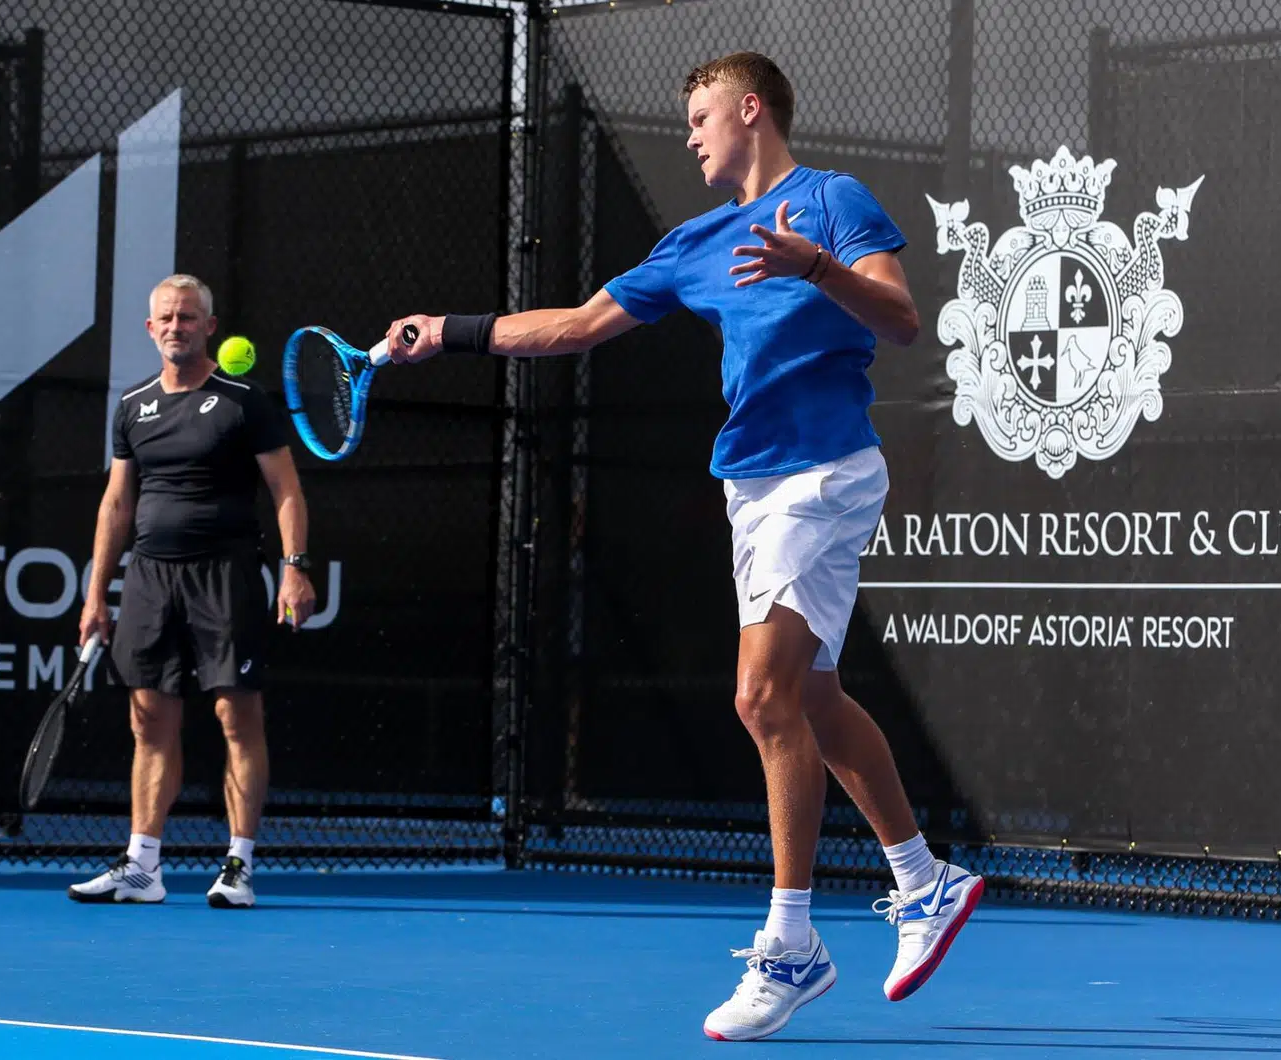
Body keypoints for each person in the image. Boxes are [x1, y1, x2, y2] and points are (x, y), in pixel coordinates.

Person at [386, 52, 983, 1041]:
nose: (693, 136)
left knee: (761, 695)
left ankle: (793, 945)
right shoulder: (696, 241)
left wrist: (817, 267)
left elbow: (906, 319)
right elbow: (576, 326)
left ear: (752, 110)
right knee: (816, 701)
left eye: (703, 116)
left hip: (824, 471)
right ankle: (924, 882)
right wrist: (450, 330)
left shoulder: (832, 199)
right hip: (754, 488)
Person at [67, 274, 316, 910]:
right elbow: (117, 503)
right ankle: (143, 866)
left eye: (187, 317)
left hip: (225, 574)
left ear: (209, 326)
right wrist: (98, 594)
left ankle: (239, 864)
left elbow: (285, 489)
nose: (176, 327)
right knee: (149, 721)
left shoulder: (243, 401)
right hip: (150, 578)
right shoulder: (133, 406)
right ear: (150, 330)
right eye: (165, 319)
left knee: (238, 716)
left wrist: (295, 565)